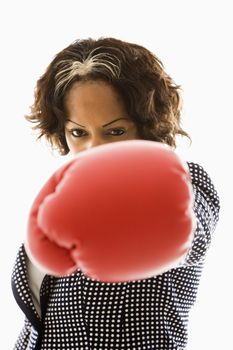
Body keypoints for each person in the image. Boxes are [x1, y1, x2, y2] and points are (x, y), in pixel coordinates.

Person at [11, 37, 220, 350]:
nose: (94, 149)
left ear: (146, 124)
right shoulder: (62, 195)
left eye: (115, 131)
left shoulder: (186, 181)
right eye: (79, 133)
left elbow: (188, 237)